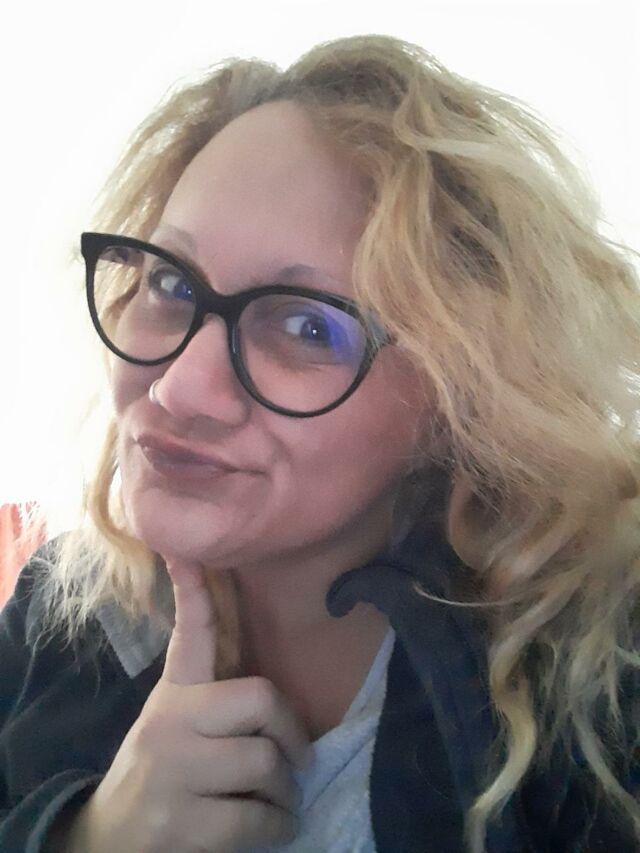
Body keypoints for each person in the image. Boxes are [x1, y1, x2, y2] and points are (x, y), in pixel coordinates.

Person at [1, 32, 639, 853]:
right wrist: (84, 836)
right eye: (170, 281)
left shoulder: (595, 682)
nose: (177, 389)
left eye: (306, 327)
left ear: (458, 395)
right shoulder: (58, 616)